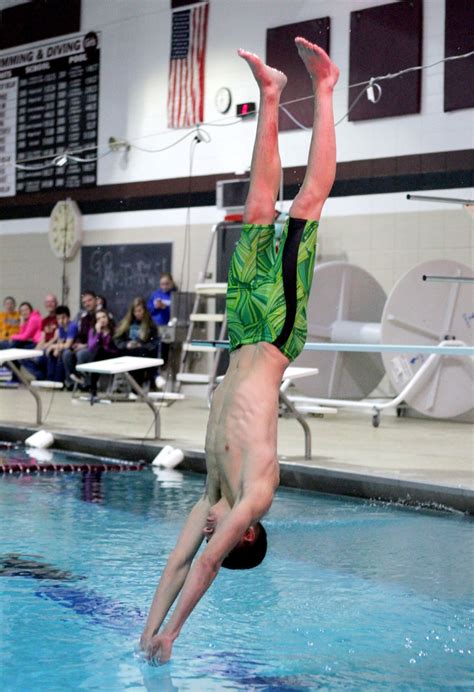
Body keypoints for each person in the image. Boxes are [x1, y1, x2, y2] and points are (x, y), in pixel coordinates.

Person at [140, 38, 338, 664]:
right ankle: (326, 87)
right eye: (220, 539)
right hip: (276, 334)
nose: (208, 537)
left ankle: (272, 92)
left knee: (256, 211)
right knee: (303, 209)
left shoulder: (211, 490)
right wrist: (178, 631)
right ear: (244, 533)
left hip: (241, 332)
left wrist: (152, 630)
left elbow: (178, 564)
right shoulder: (254, 492)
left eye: (213, 537)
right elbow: (202, 568)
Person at [114, 297, 159, 387]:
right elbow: (117, 340)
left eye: (140, 311)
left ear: (144, 311)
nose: (137, 314)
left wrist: (141, 345)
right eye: (135, 311)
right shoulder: (125, 324)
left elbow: (154, 342)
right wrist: (126, 345)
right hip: (127, 351)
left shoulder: (151, 325)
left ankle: (138, 386)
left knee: (141, 356)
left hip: (143, 352)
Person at [43, 306, 78, 386]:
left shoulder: (72, 326)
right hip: (65, 347)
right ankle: (51, 379)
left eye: (63, 318)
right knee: (52, 353)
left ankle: (63, 382)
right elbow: (60, 340)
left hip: (74, 349)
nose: (61, 321)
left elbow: (68, 345)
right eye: (58, 319)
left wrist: (53, 346)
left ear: (68, 317)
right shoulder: (61, 327)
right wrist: (56, 348)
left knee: (63, 354)